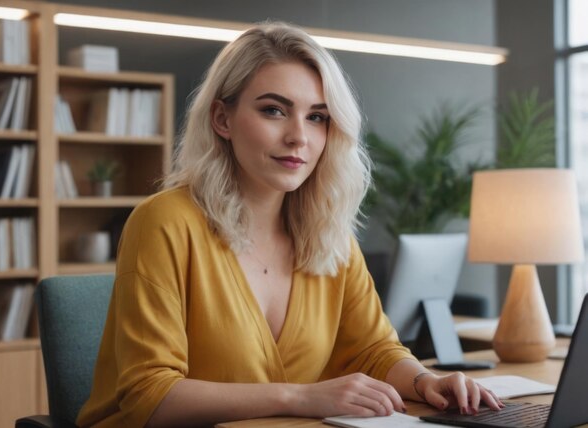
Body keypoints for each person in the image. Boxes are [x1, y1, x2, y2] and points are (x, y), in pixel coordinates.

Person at [77, 22, 503, 428]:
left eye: (317, 116)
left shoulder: (328, 232)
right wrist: (300, 396)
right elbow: (148, 395)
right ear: (222, 120)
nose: (299, 136)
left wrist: (424, 382)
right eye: (274, 110)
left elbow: (374, 350)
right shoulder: (164, 222)